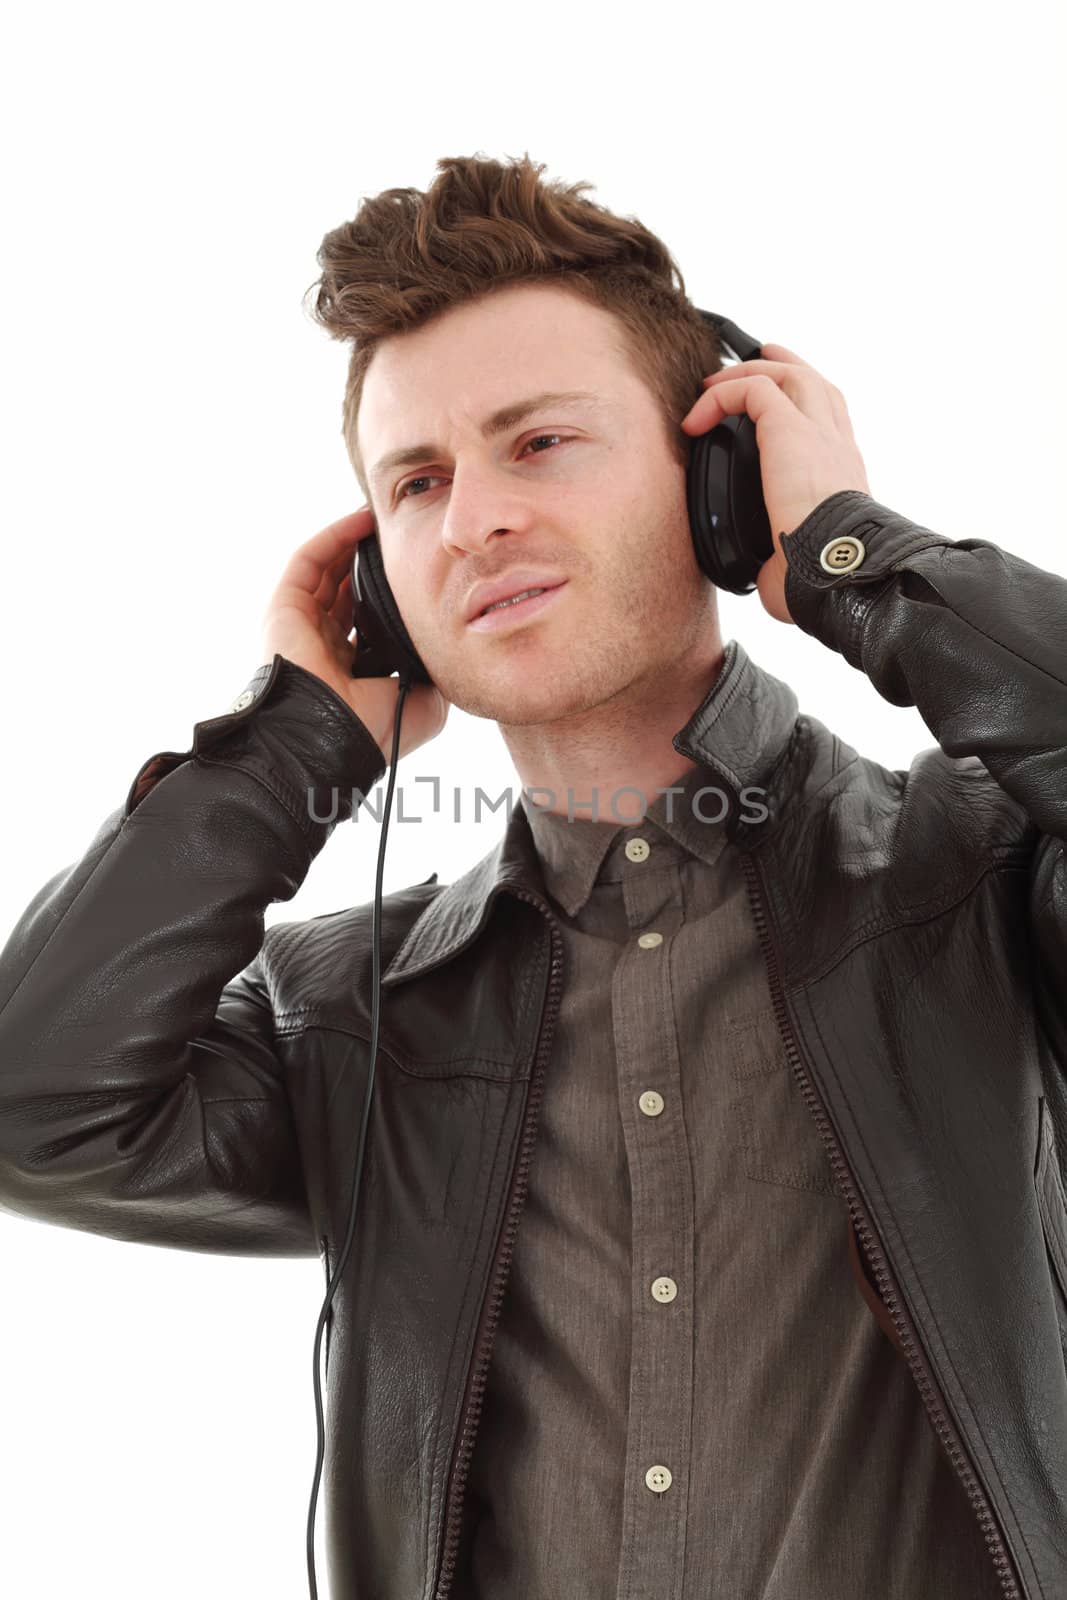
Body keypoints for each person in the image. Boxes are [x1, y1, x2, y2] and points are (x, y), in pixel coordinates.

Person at [0, 152, 1064, 1600]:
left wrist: (857, 561)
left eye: (540, 442)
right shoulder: (355, 1011)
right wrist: (287, 742)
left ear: (719, 486)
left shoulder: (981, 872)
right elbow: (34, 1105)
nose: (472, 521)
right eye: (417, 483)